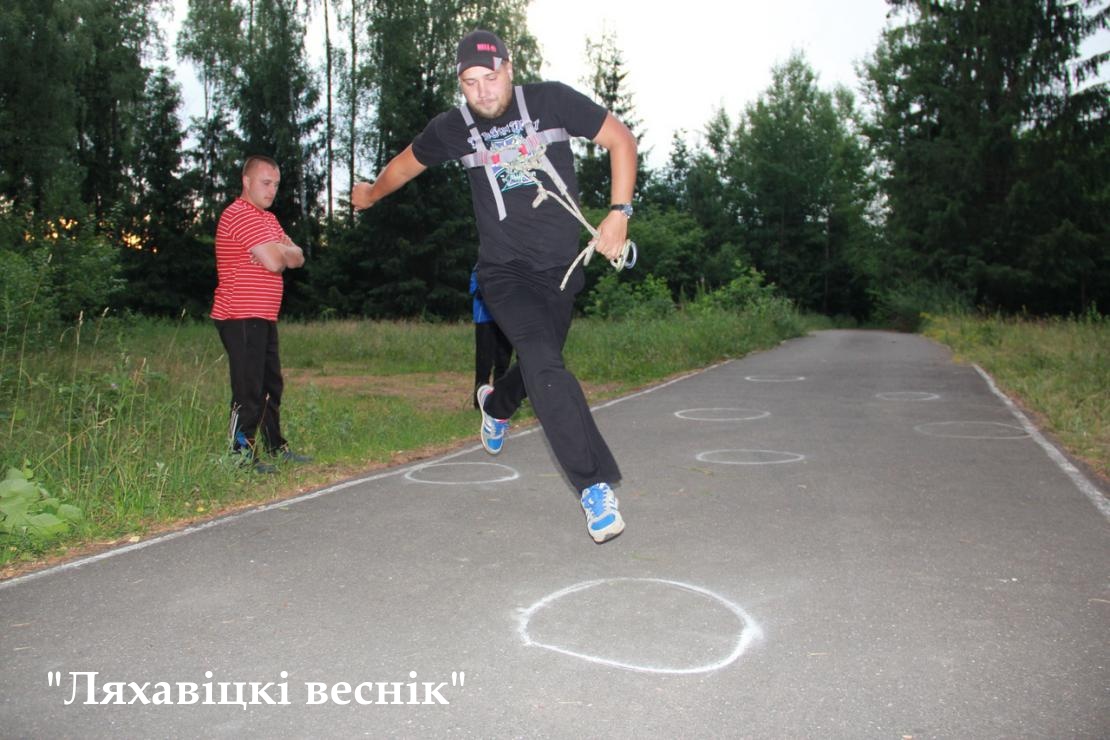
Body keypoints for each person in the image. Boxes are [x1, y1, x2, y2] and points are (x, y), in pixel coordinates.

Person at [351, 30, 637, 543]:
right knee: (546, 365)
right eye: (470, 82)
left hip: (560, 272)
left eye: (490, 76)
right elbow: (404, 167)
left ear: (509, 67)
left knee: (539, 366)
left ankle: (497, 404)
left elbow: (621, 139)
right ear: (460, 85)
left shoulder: (550, 101)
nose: (482, 91)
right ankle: (593, 486)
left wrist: (619, 213)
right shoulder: (453, 128)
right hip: (504, 273)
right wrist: (371, 195)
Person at [212, 155, 312, 474]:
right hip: (239, 315)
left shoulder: (267, 219)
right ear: (246, 181)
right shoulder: (239, 214)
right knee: (249, 389)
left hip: (264, 316)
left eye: (276, 185)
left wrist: (282, 251)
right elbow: (274, 261)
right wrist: (280, 251)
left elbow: (298, 258)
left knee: (271, 386)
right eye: (266, 183)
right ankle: (240, 455)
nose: (272, 190)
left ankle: (274, 446)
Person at [470, 265, 513, 408]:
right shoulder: (482, 264)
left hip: (506, 318)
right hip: (485, 318)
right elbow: (475, 289)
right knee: (484, 362)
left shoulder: (511, 264)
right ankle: (480, 402)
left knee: (503, 361)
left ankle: (498, 399)